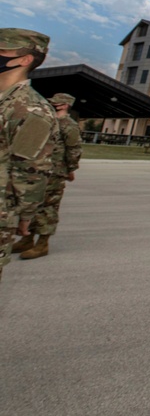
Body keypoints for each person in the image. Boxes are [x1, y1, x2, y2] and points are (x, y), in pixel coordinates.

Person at [0, 28, 58, 286]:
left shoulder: (31, 110)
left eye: (2, 51)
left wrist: (24, 216)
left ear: (25, 60)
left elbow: (29, 171)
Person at [16, 93, 82, 259]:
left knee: (49, 207)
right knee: (32, 204)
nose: (54, 105)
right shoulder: (47, 120)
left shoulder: (69, 125)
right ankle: (27, 239)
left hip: (55, 172)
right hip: (37, 169)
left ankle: (42, 243)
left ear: (65, 105)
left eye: (57, 103)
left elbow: (73, 149)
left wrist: (70, 169)